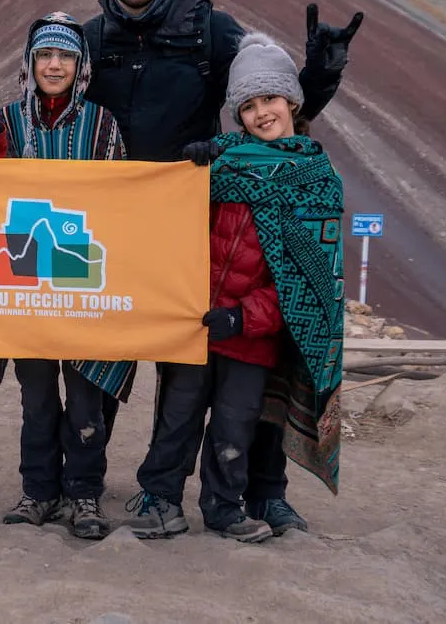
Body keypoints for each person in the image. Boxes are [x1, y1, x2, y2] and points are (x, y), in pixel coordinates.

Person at [81, 0, 361, 536]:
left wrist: (320, 74)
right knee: (107, 360)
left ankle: (260, 494)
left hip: (204, 216)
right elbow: (59, 102)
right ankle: (91, 488)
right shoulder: (93, 39)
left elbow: (269, 100)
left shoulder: (209, 29)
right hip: (117, 229)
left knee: (247, 373)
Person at [125, 33, 346, 541]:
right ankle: (160, 500)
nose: (261, 113)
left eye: (269, 99)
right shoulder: (219, 164)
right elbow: (176, 232)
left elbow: (307, 282)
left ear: (292, 101)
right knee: (176, 418)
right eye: (247, 105)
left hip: (251, 334)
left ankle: (224, 508)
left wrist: (245, 316)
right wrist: (191, 174)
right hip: (196, 325)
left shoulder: (316, 178)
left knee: (235, 424)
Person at [0, 12, 128, 540]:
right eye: (45, 55)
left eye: (65, 57)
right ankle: (38, 491)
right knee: (35, 397)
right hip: (26, 282)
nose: (54, 65)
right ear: (30, 63)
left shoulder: (102, 124)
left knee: (85, 398)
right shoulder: (7, 121)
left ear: (80, 66)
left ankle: (84, 493)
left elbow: (125, 200)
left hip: (82, 280)